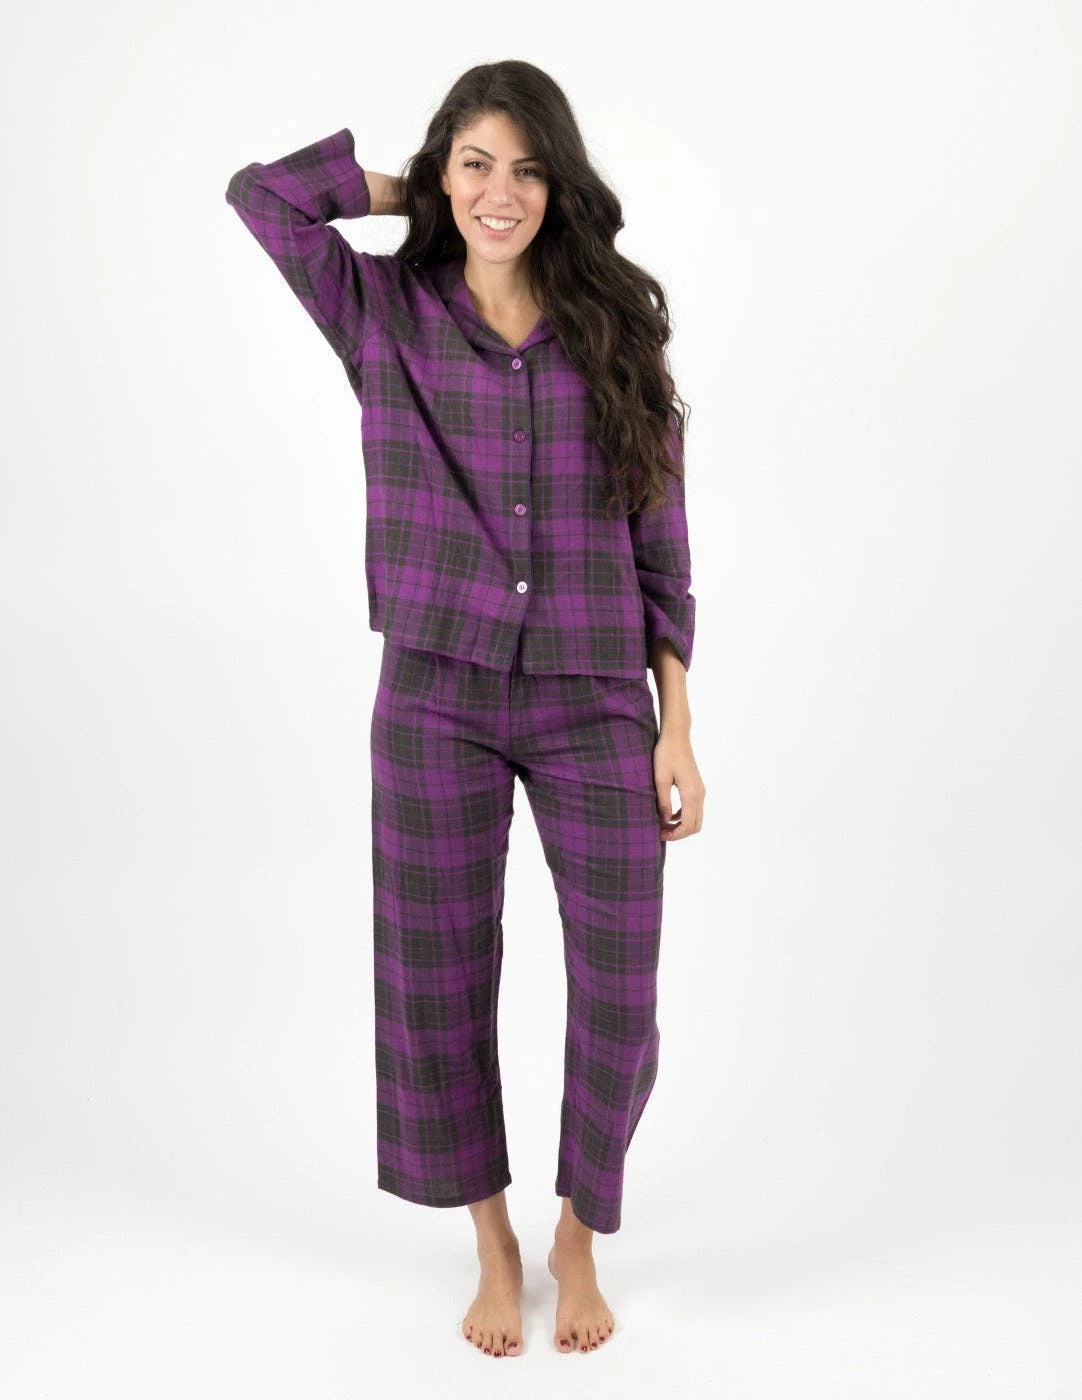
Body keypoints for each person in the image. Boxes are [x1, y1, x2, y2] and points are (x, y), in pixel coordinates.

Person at [225, 57, 706, 1359]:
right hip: (435, 692)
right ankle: (490, 1238)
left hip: (593, 695)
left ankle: (576, 1233)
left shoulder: (615, 331)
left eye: (527, 169)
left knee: (620, 987)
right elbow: (262, 197)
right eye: (477, 162)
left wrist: (674, 724)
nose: (503, 192)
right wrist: (416, 194)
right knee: (434, 974)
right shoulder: (383, 309)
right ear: (444, 170)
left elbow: (662, 549)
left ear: (561, 185)